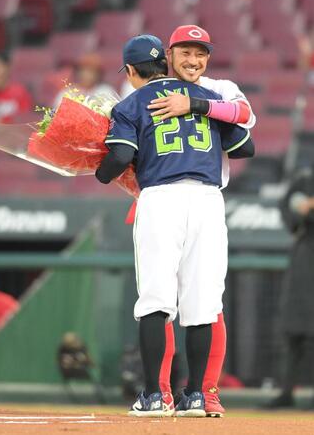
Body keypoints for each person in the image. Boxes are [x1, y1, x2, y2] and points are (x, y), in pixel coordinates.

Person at [95, 34, 254, 417]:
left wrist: (98, 172)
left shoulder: (132, 102)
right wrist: (203, 114)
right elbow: (246, 147)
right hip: (207, 201)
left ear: (132, 71)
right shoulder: (207, 97)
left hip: (161, 199)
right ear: (166, 61)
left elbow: (119, 156)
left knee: (155, 300)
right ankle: (197, 395)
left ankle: (153, 395)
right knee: (202, 303)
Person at [265, 166, 314, 408]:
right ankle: (286, 392)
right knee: (293, 328)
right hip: (304, 258)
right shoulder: (306, 178)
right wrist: (302, 211)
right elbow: (289, 210)